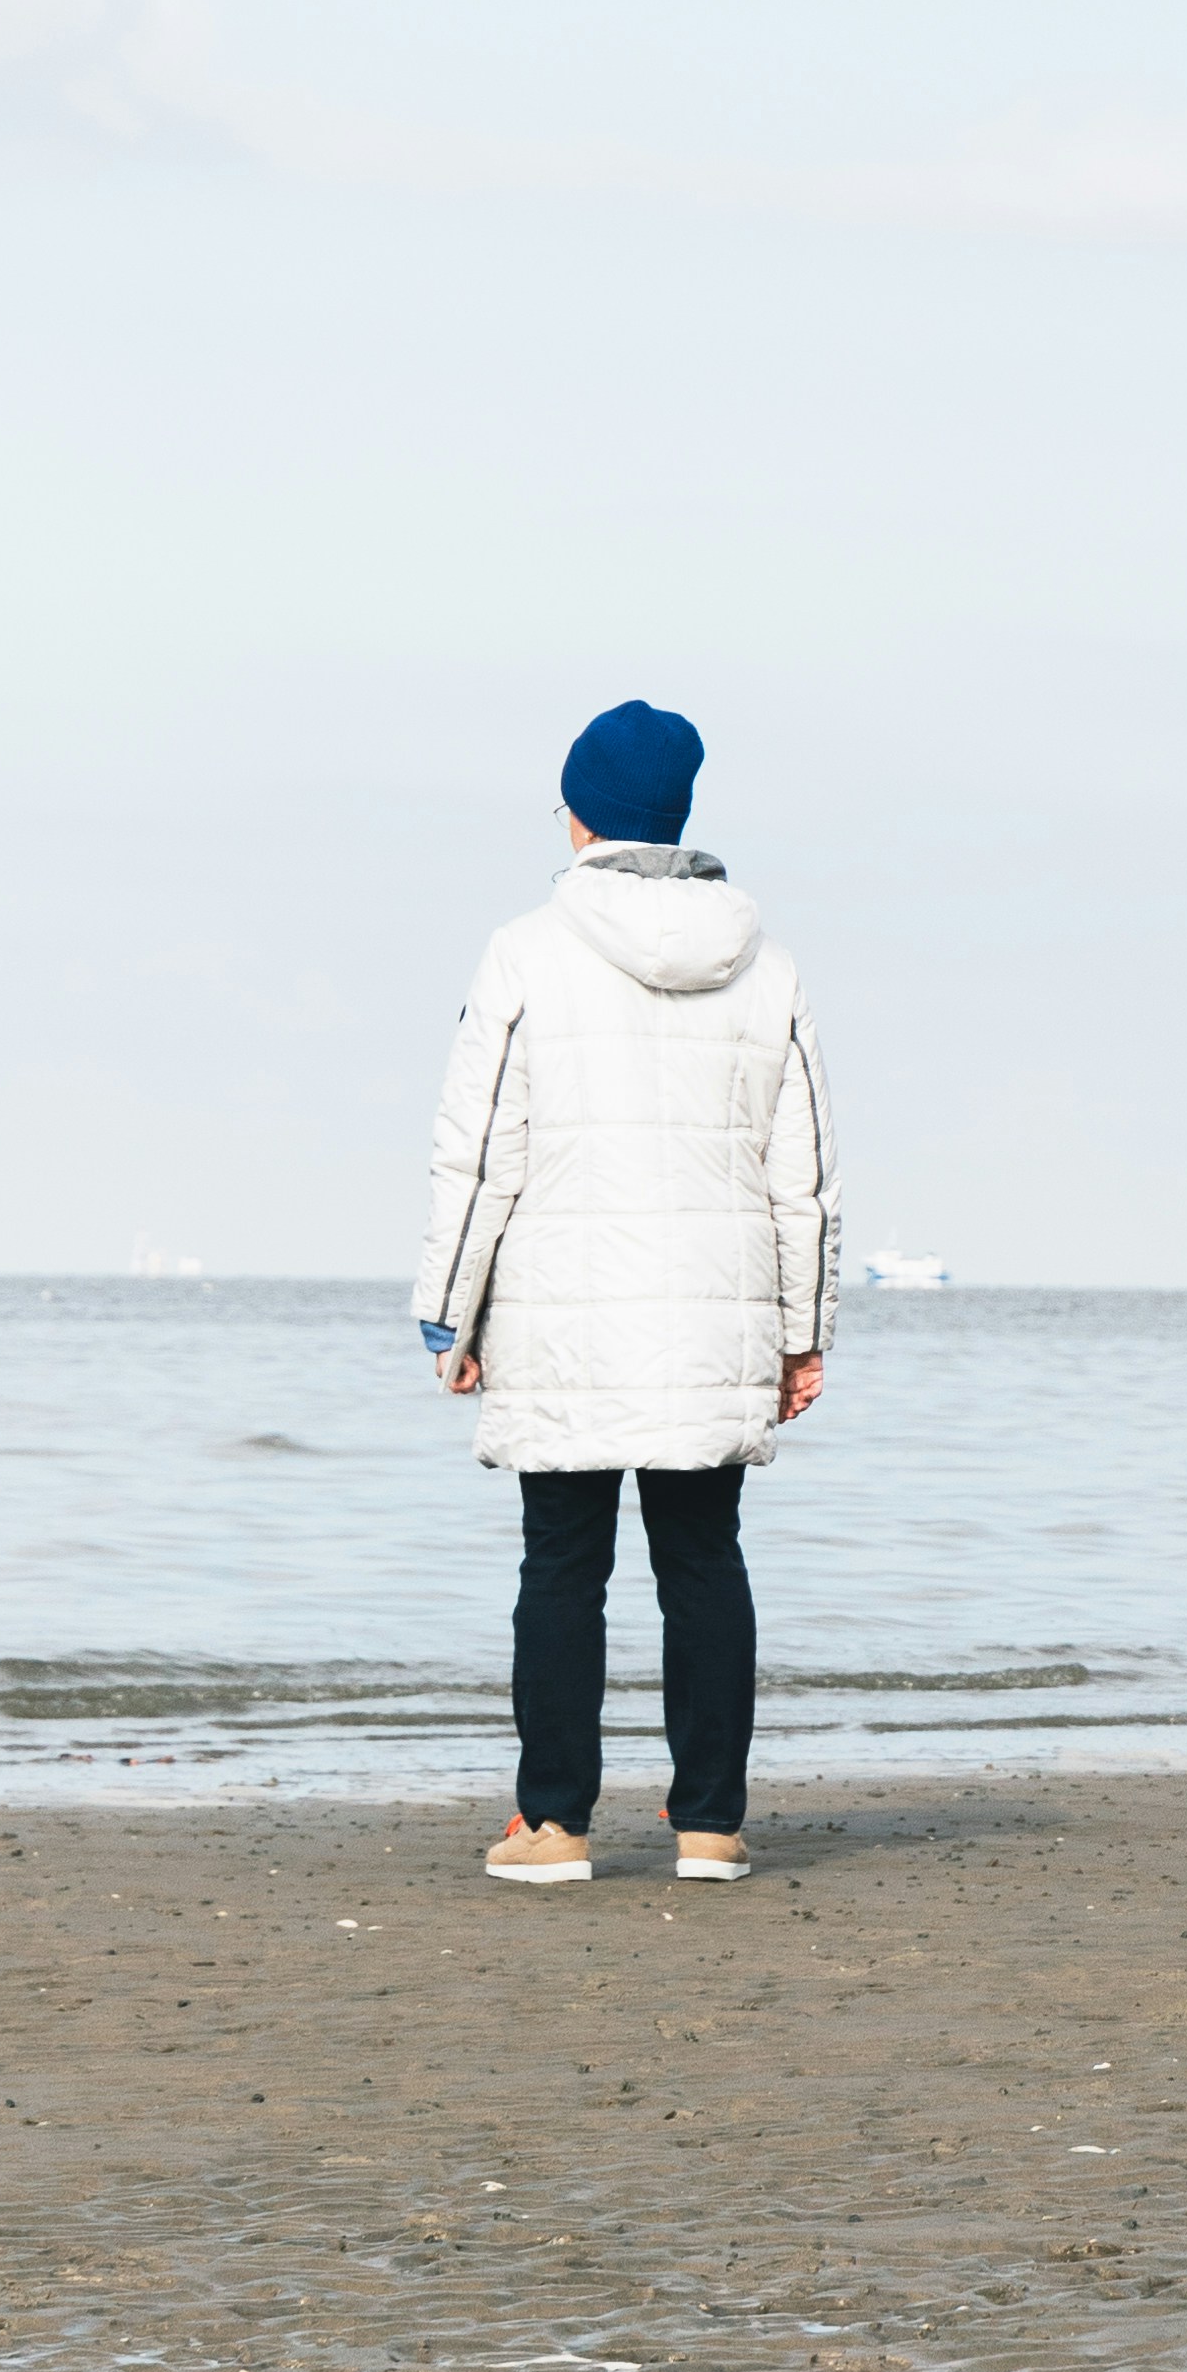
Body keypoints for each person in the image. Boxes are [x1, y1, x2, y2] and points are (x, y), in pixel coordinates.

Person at [414, 699, 839, 1884]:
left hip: (559, 1308)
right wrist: (802, 1334)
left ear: (579, 814)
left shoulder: (526, 950)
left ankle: (551, 1826)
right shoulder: (771, 966)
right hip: (716, 1312)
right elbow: (800, 1173)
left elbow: (479, 1146)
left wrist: (451, 1311)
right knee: (702, 1561)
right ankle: (708, 1823)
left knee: (562, 1565)